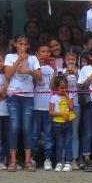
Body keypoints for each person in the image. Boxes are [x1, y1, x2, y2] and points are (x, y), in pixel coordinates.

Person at [4, 34, 42, 172]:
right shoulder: (10, 57)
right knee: (14, 127)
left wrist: (30, 71)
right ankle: (13, 160)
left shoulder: (33, 59)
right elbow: (8, 75)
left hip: (28, 97)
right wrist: (19, 60)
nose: (23, 47)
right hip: (13, 96)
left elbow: (40, 78)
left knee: (27, 127)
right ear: (15, 44)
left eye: (25, 44)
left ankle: (27, 160)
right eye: (20, 44)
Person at [31, 41, 55, 170]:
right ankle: (33, 157)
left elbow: (52, 86)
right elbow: (35, 82)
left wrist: (55, 70)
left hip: (48, 107)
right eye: (43, 52)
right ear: (37, 54)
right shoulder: (35, 68)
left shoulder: (51, 69)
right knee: (34, 134)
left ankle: (48, 158)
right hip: (36, 106)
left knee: (48, 134)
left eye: (48, 52)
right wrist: (37, 67)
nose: (46, 54)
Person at [48, 73, 75, 172]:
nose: (64, 90)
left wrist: (67, 96)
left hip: (68, 123)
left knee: (68, 143)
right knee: (59, 143)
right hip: (58, 123)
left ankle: (68, 163)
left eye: (66, 88)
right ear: (56, 87)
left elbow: (71, 107)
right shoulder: (53, 97)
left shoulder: (69, 95)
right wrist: (61, 114)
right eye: (62, 88)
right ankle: (59, 162)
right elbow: (50, 112)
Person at [59, 51, 82, 170]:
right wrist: (64, 76)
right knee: (63, 132)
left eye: (73, 58)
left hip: (77, 104)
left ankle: (74, 159)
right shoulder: (61, 71)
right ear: (64, 60)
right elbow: (56, 86)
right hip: (63, 105)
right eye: (68, 58)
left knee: (74, 132)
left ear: (77, 60)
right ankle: (62, 159)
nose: (71, 60)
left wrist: (77, 74)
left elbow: (84, 86)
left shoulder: (81, 72)